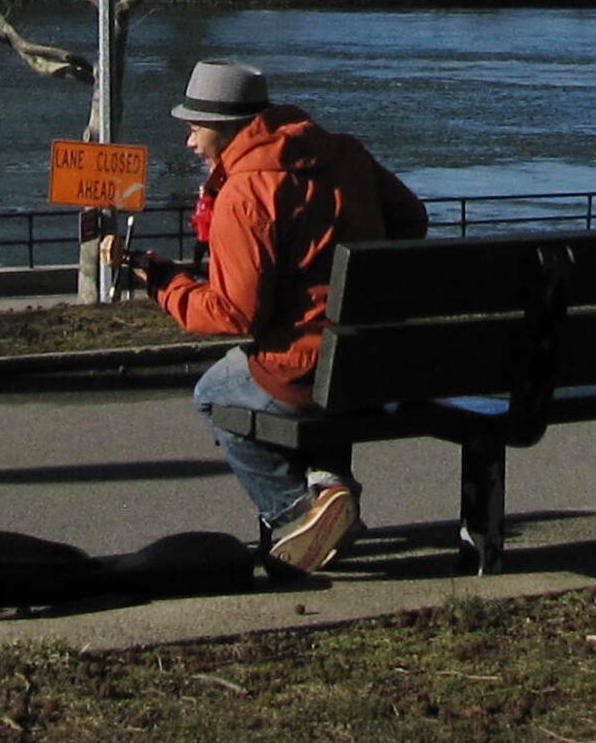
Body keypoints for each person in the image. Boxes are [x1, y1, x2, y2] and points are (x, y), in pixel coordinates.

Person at [121, 59, 427, 575]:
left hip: (306, 366)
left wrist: (162, 284)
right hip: (374, 355)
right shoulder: (344, 153)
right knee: (327, 363)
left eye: (195, 129)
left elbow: (234, 315)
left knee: (214, 393)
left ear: (226, 128)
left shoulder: (246, 193)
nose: (190, 143)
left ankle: (297, 514)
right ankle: (329, 484)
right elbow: (412, 220)